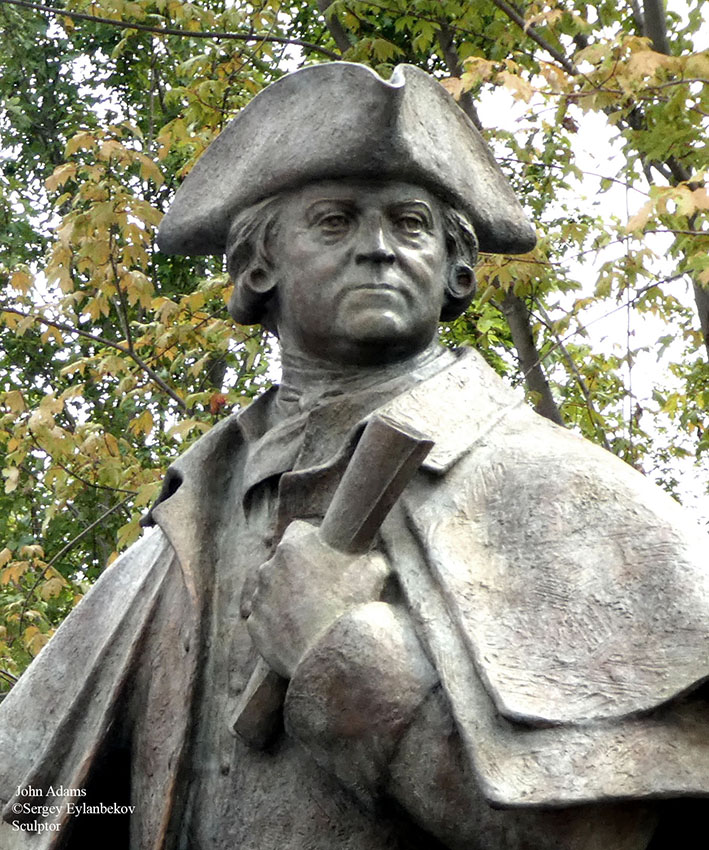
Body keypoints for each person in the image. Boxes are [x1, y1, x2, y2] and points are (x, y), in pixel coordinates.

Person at [1, 62, 708, 850]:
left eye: (409, 224)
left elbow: (608, 835)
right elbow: (34, 810)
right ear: (258, 266)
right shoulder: (187, 524)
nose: (377, 249)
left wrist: (344, 660)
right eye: (334, 221)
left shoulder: (569, 497)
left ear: (455, 270)